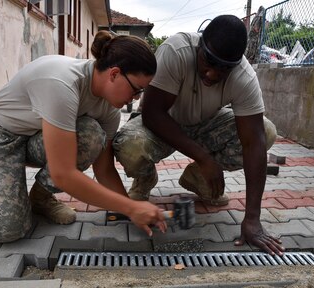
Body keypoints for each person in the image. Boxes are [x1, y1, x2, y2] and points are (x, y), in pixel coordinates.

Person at [0, 30, 167, 243]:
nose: (136, 98)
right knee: (7, 230)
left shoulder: (109, 108)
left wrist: (130, 211)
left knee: (91, 135)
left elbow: (104, 169)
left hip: (34, 136)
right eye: (137, 90)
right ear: (114, 74)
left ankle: (40, 198)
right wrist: (132, 207)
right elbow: (63, 173)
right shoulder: (62, 83)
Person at [112, 15, 285, 256]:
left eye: (224, 68)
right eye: (209, 61)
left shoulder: (244, 77)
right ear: (199, 45)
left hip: (206, 125)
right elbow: (152, 113)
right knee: (129, 145)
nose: (212, 74)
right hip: (163, 124)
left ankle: (198, 179)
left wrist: (253, 219)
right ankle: (145, 180)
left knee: (266, 132)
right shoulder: (176, 51)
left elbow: (253, 142)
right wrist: (204, 157)